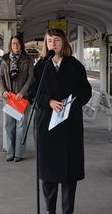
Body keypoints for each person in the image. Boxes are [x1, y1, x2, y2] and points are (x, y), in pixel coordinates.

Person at [27, 29, 92, 214]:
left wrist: (71, 104)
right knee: (48, 174)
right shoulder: (41, 66)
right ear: (45, 44)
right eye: (49, 41)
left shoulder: (75, 66)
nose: (52, 44)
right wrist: (48, 101)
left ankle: (67, 211)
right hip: (47, 125)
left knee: (69, 175)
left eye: (56, 40)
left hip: (69, 126)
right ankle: (50, 211)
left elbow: (86, 91)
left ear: (63, 43)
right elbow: (32, 93)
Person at [0, 36, 34, 162]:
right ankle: (10, 152)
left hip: (23, 99)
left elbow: (30, 78)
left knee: (21, 126)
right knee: (9, 125)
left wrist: (23, 92)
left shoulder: (28, 59)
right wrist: (4, 91)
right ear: (10, 45)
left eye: (18, 43)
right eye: (13, 43)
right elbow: (0, 77)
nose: (15, 45)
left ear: (21, 45)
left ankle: (19, 153)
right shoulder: (5, 59)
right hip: (10, 98)